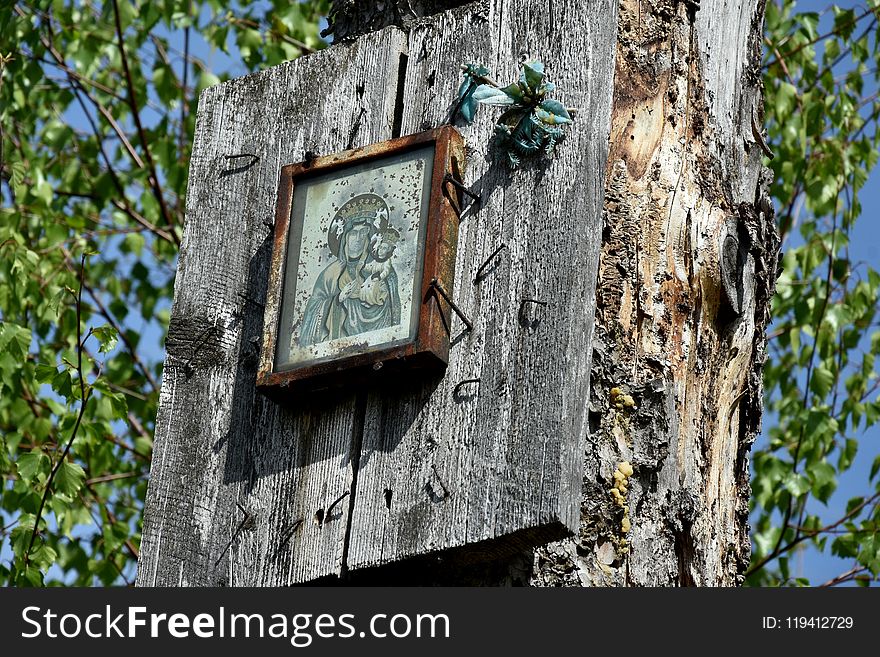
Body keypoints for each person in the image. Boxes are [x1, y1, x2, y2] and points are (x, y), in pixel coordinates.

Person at [296, 194, 402, 347]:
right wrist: (338, 298)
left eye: (363, 232)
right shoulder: (331, 273)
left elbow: (393, 308)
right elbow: (314, 309)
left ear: (370, 236)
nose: (358, 238)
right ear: (344, 237)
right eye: (353, 233)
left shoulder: (380, 267)